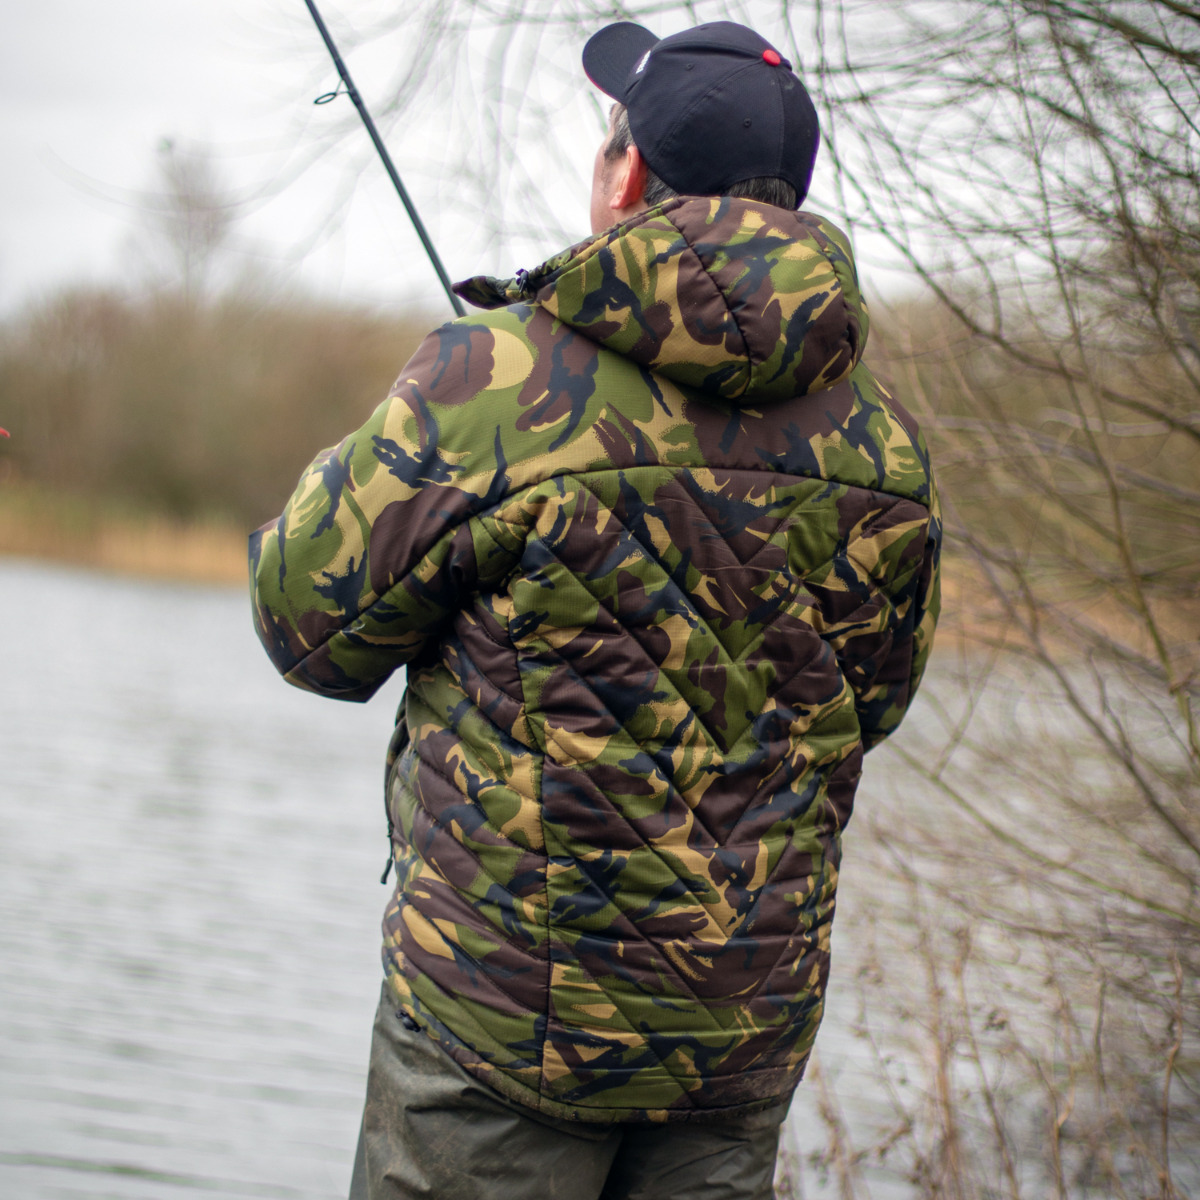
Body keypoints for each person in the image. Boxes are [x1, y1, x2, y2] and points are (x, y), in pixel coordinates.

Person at [250, 18, 940, 1200]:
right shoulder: (884, 448)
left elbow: (302, 625)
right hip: (740, 1039)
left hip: (501, 1033)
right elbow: (870, 707)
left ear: (625, 174)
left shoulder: (493, 381)